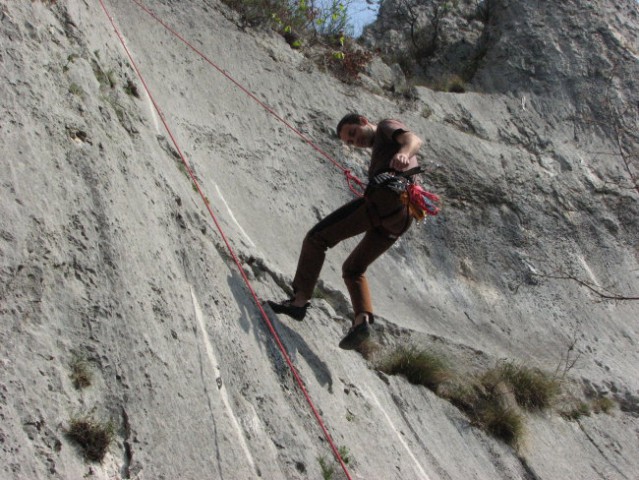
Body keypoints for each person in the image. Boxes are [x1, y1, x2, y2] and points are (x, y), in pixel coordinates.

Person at [267, 113, 423, 349]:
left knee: (316, 239)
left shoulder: (384, 126)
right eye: (350, 142)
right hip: (401, 218)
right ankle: (361, 323)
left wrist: (404, 153)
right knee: (353, 269)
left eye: (353, 133)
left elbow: (413, 140)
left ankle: (298, 303)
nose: (355, 141)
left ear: (362, 120)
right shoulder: (380, 150)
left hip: (386, 199)